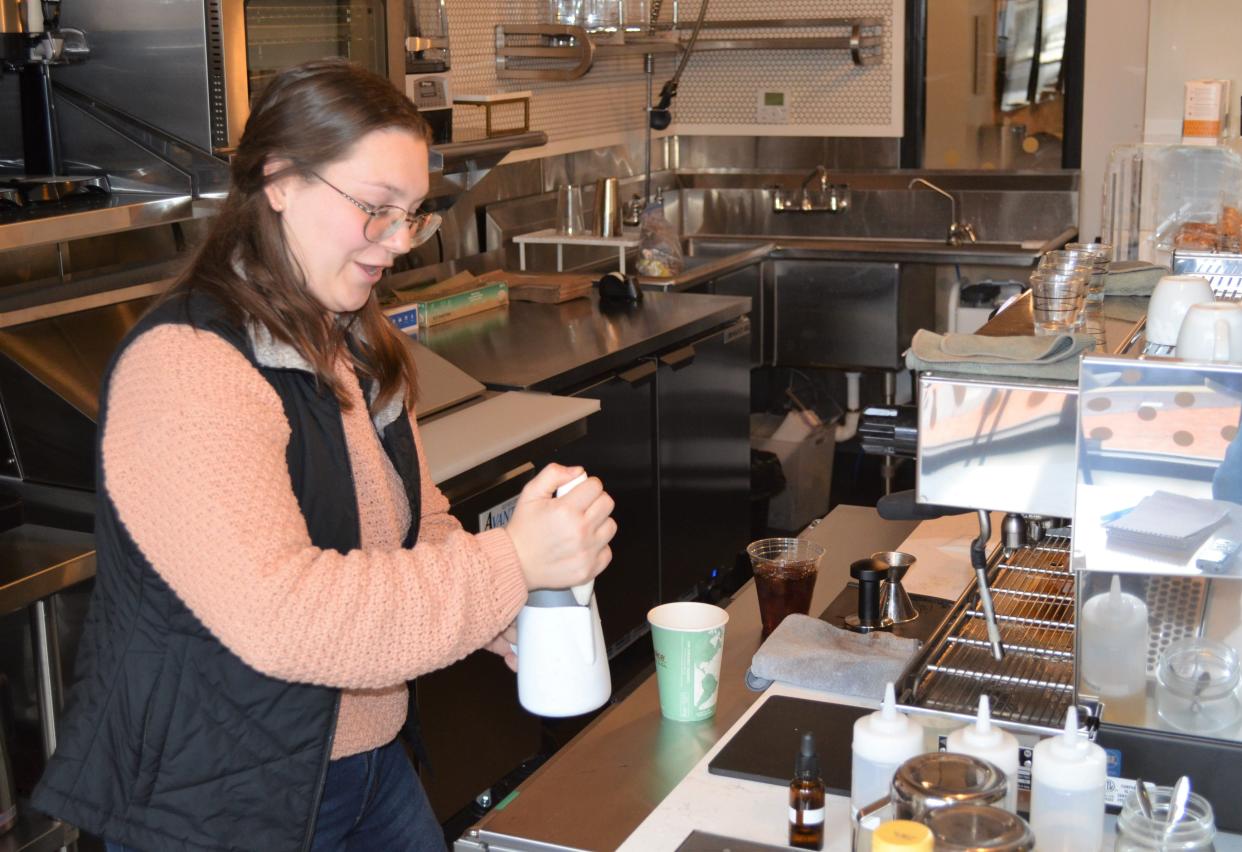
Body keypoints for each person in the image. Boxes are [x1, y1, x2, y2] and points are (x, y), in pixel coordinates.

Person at [31, 59, 616, 852]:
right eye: (376, 209)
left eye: (414, 215)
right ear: (278, 180)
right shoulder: (189, 367)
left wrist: (492, 609)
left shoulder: (352, 342)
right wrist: (509, 563)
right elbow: (287, 618)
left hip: (367, 765)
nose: (399, 243)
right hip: (226, 800)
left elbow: (418, 524)